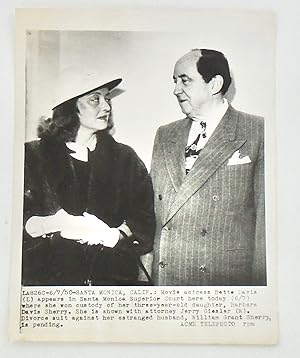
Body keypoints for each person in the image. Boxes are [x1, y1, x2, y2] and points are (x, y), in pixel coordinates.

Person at [22, 74, 155, 286]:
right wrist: (49, 224)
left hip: (112, 283)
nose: (107, 106)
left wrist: (115, 235)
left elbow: (143, 219)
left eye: (108, 98)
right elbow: (14, 218)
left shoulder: (125, 158)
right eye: (95, 98)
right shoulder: (32, 155)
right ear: (70, 107)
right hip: (49, 283)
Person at [150, 49, 266, 286]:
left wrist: (260, 290)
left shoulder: (257, 130)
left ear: (214, 84)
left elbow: (265, 225)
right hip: (166, 278)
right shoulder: (165, 134)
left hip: (222, 281)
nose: (175, 89)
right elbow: (153, 211)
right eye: (175, 81)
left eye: (185, 80)